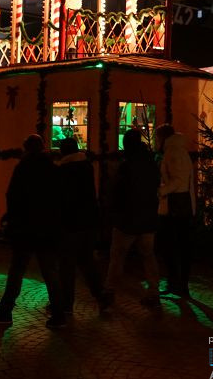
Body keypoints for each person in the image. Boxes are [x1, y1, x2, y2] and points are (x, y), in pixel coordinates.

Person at [0, 134, 66, 329]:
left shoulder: (22, 168)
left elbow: (13, 197)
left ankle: (5, 312)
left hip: (25, 229)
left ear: (26, 149)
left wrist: (12, 219)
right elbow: (60, 198)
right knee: (50, 272)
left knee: (16, 271)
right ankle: (59, 314)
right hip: (47, 229)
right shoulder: (52, 169)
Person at [103, 128, 161, 308]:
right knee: (148, 255)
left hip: (127, 220)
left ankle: (110, 291)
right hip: (148, 218)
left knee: (118, 256)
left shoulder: (126, 166)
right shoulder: (151, 163)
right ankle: (153, 292)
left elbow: (118, 191)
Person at [55, 137, 106, 316]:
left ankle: (66, 304)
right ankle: (100, 295)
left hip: (70, 223)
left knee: (66, 265)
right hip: (89, 221)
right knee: (87, 262)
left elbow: (62, 200)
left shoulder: (63, 171)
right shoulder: (86, 166)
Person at [158, 131, 195, 299]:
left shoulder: (173, 152)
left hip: (176, 206)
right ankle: (179, 284)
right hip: (181, 206)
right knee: (181, 246)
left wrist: (162, 191)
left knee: (172, 246)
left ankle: (177, 283)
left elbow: (178, 180)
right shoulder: (180, 151)